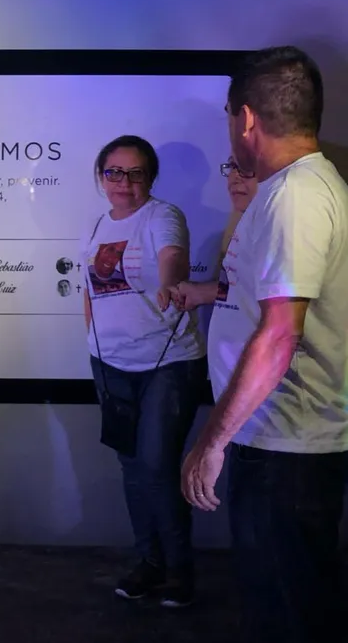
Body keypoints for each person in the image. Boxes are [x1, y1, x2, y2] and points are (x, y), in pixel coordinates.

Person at [175, 46, 348, 643]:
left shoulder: (295, 197)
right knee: (285, 601)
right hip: (279, 443)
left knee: (286, 614)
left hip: (284, 449)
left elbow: (279, 332)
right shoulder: (293, 190)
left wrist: (211, 442)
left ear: (246, 118)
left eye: (229, 116)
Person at [81, 135, 206, 608]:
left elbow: (172, 257)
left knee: (155, 466)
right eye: (114, 172)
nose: (124, 182)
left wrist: (171, 283)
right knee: (132, 468)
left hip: (166, 362)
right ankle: (149, 563)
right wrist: (94, 338)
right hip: (110, 365)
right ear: (101, 177)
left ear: (150, 178)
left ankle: (179, 570)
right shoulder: (95, 225)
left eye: (136, 173)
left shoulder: (162, 216)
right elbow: (88, 290)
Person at [170, 156, 259, 309]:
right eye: (232, 166)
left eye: (246, 166)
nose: (235, 177)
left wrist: (202, 292)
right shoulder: (226, 235)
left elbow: (279, 295)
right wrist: (200, 292)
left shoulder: (284, 229)